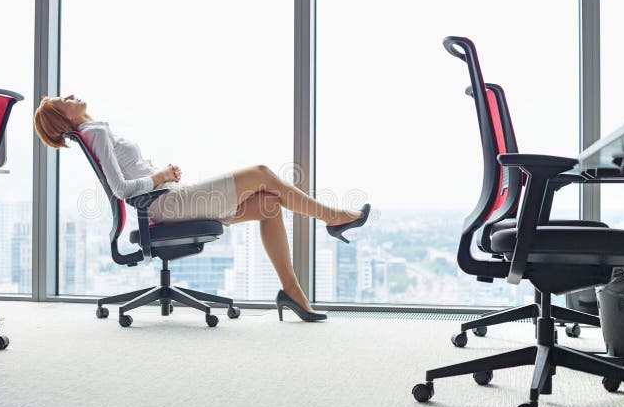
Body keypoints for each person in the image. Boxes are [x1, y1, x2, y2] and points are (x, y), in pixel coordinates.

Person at [34, 95, 371, 321]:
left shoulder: (96, 130)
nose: (71, 96)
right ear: (63, 117)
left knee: (268, 205)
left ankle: (292, 293)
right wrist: (160, 176)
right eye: (63, 100)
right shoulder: (94, 132)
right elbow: (121, 189)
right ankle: (332, 217)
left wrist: (161, 177)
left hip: (168, 198)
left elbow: (128, 179)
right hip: (165, 204)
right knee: (262, 173)